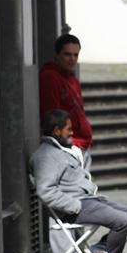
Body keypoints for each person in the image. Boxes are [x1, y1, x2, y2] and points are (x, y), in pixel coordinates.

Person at [31, 109, 127, 253]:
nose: (72, 132)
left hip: (89, 200)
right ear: (56, 131)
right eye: (68, 129)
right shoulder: (45, 156)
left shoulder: (61, 150)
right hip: (77, 206)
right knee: (123, 221)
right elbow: (46, 191)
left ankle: (99, 251)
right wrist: (75, 206)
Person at [39, 34, 93, 166]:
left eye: (76, 55)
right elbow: (51, 115)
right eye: (67, 54)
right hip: (68, 148)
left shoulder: (72, 78)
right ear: (57, 55)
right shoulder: (50, 77)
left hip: (81, 145)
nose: (72, 59)